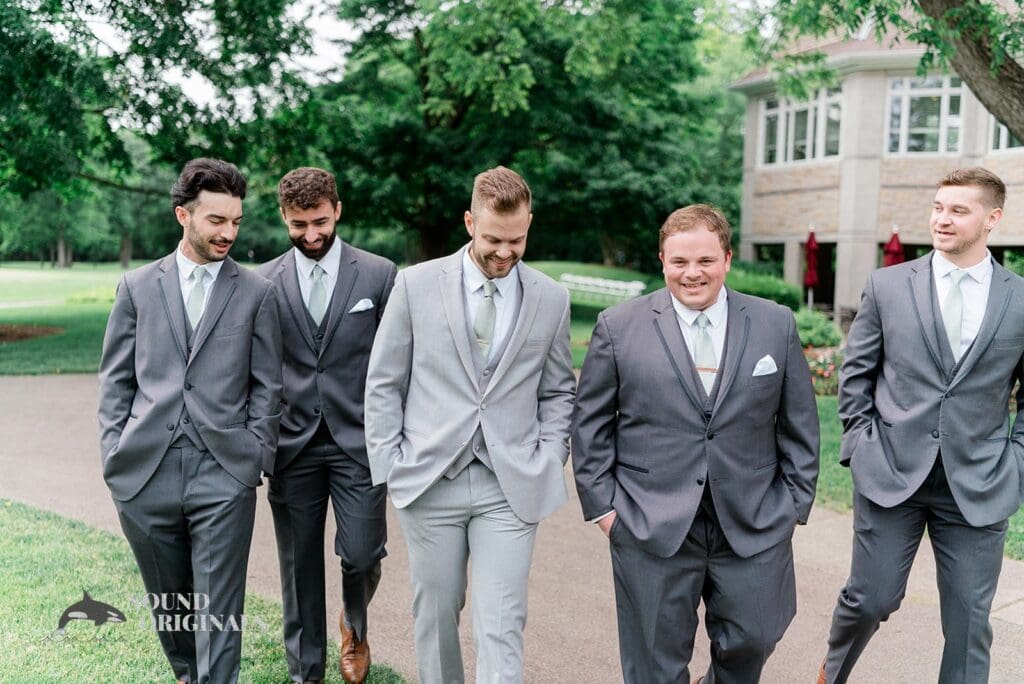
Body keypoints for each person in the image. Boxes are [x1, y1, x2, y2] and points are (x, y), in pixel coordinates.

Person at [572, 204, 819, 683]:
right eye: (679, 261)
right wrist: (605, 509)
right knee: (653, 663)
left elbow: (800, 423)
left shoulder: (775, 323)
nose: (692, 273)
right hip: (650, 519)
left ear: (727, 259)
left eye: (705, 261)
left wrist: (793, 502)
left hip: (754, 518)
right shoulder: (618, 327)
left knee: (756, 636)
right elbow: (590, 426)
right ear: (662, 260)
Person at [364, 166, 575, 683]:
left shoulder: (551, 298)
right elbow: (383, 382)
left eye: (517, 240)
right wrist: (391, 466)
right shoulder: (413, 285)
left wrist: (549, 456)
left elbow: (558, 390)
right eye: (492, 239)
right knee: (434, 618)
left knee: (501, 622)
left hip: (511, 484)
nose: (504, 252)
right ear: (468, 222)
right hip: (429, 481)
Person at [819, 167, 1023, 683]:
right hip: (891, 472)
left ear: (992, 217)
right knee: (871, 598)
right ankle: (831, 674)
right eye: (938, 207)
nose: (942, 219)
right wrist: (860, 445)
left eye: (958, 210)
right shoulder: (888, 285)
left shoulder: (1020, 299)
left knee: (971, 623)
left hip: (979, 481)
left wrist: (1016, 462)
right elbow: (856, 375)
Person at [97, 157, 283, 684]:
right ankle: (186, 672)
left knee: (220, 606)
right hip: (143, 468)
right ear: (184, 215)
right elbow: (115, 380)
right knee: (170, 601)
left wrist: (253, 456)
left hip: (224, 469)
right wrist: (114, 454)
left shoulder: (256, 293)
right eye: (216, 221)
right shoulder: (136, 287)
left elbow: (268, 385)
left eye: (236, 222)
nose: (228, 232)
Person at [257, 167, 396, 684]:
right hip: (291, 446)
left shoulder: (380, 275)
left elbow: (398, 360)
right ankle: (306, 672)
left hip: (359, 443)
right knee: (299, 569)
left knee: (361, 554)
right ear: (284, 219)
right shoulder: (264, 281)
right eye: (298, 225)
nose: (311, 235)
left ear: (337, 209)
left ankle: (353, 625)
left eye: (319, 221)